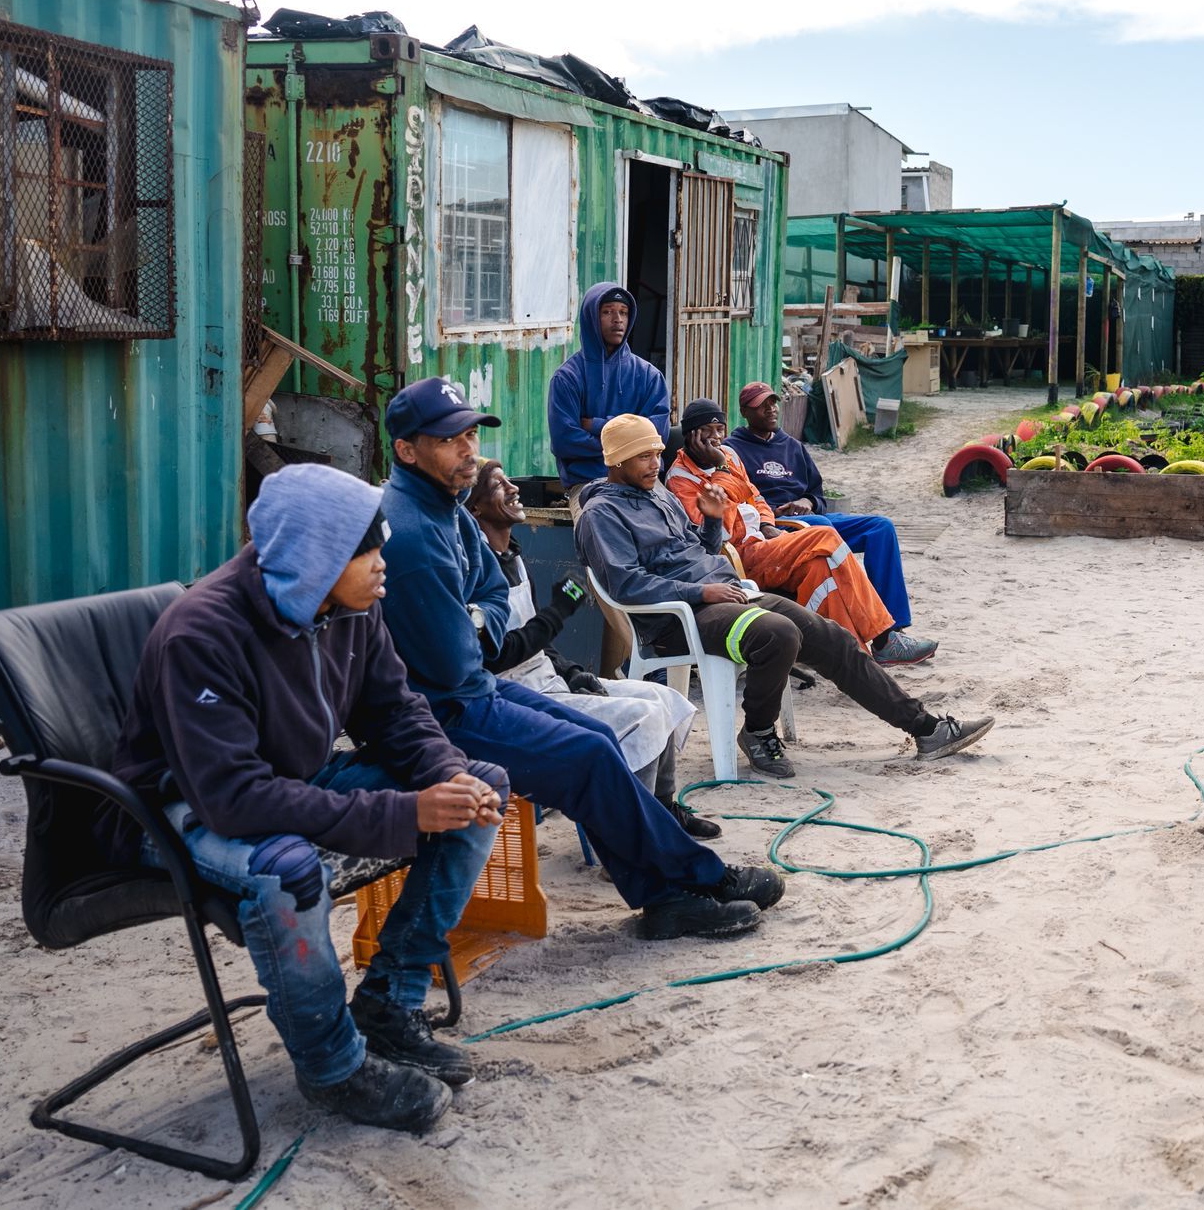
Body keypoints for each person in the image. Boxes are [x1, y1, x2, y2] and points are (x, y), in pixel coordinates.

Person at [109, 464, 508, 1133]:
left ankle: (388, 1001)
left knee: (478, 789)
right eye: (370, 550)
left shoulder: (347, 604)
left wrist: (446, 772)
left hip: (287, 776)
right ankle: (333, 1067)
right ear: (316, 556)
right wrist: (407, 812)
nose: (386, 562)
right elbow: (233, 799)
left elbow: (395, 711)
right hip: (175, 806)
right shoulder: (200, 634)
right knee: (284, 869)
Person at [377, 375, 783, 938]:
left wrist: (479, 617)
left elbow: (492, 599)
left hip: (474, 686)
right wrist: (483, 624)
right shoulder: (414, 532)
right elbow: (458, 659)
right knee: (586, 755)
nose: (468, 451)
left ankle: (683, 885)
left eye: (471, 435)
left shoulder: (445, 508)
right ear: (406, 449)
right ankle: (678, 891)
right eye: (449, 441)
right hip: (438, 710)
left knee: (596, 744)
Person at [576, 412, 995, 779]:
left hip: (726, 597)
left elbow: (699, 552)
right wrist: (700, 589)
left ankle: (925, 728)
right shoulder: (601, 514)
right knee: (778, 634)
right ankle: (758, 731)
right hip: (678, 620)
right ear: (615, 461)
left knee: (833, 638)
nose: (655, 464)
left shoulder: (658, 495)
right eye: (644, 457)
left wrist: (709, 521)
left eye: (656, 453)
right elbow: (625, 583)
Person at [466, 457, 717, 839]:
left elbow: (540, 646)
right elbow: (497, 654)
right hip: (514, 698)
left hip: (547, 681)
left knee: (663, 697)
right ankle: (630, 835)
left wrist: (571, 671)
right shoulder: (478, 573)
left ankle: (662, 811)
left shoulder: (514, 557)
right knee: (642, 716)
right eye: (499, 486)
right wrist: (557, 612)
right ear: (474, 508)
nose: (514, 489)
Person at [723, 380, 937, 665]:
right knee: (822, 526)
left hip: (811, 515)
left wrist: (808, 502)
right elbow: (741, 503)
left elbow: (817, 493)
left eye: (773, 402)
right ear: (744, 412)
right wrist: (774, 515)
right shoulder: (732, 450)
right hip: (776, 524)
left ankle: (894, 628)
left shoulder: (793, 446)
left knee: (880, 527)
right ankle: (877, 634)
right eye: (762, 405)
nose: (771, 409)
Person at [666, 397, 901, 654]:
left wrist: (767, 524)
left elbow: (755, 497)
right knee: (824, 535)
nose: (715, 438)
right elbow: (719, 533)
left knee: (820, 569)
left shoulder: (729, 455)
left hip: (764, 543)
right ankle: (883, 638)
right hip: (737, 557)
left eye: (720, 430)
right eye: (706, 432)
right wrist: (721, 467)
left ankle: (855, 656)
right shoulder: (681, 479)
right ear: (691, 436)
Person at [547, 282, 669, 677]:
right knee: (605, 566)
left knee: (674, 545)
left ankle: (675, 640)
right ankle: (644, 660)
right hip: (586, 484)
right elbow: (565, 440)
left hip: (643, 482)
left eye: (623, 313)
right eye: (607, 312)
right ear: (590, 317)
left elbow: (659, 437)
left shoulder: (648, 376)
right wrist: (629, 442)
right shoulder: (567, 378)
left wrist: (596, 427)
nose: (617, 320)